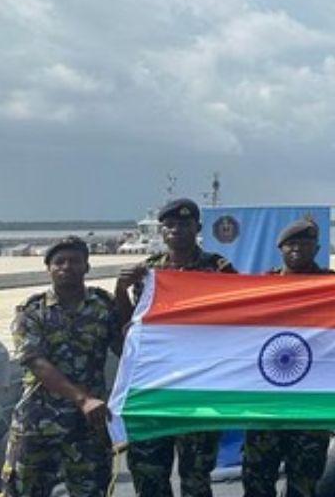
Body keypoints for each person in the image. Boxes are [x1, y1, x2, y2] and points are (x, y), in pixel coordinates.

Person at [115, 198, 236, 497]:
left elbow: (238, 316)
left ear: (197, 228)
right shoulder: (148, 271)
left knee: (196, 476)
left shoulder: (219, 268)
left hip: (199, 386)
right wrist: (120, 289)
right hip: (155, 385)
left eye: (184, 224)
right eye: (170, 225)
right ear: (162, 230)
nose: (177, 230)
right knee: (149, 473)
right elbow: (129, 325)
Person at [1, 236, 121, 497]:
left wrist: (124, 293)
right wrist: (82, 398)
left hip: (88, 425)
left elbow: (125, 348)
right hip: (39, 422)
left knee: (92, 490)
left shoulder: (104, 306)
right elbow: (36, 362)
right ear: (49, 268)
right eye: (59, 261)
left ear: (87, 267)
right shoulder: (32, 311)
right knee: (21, 491)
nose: (67, 266)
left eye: (75, 261)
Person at [241, 218, 335, 497]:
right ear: (280, 248)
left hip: (310, 405)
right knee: (257, 483)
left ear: (316, 248)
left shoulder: (334, 286)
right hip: (266, 404)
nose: (297, 249)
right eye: (291, 244)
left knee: (304, 485)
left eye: (305, 244)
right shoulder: (262, 287)